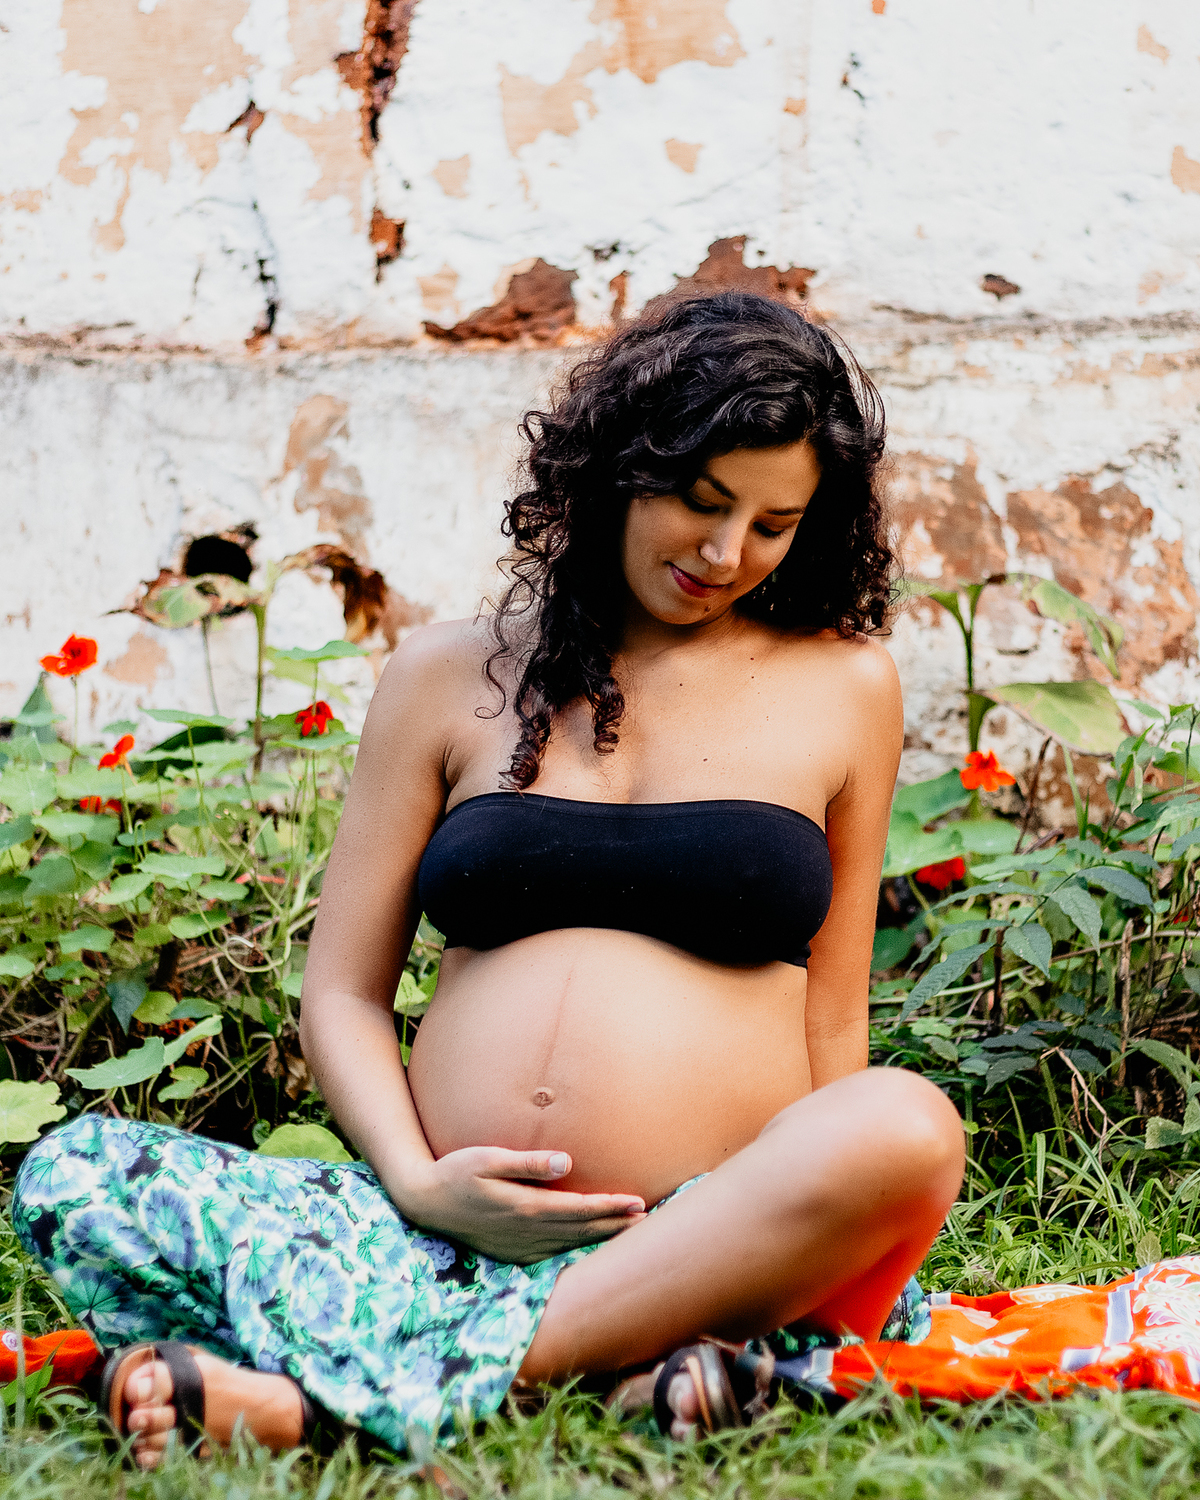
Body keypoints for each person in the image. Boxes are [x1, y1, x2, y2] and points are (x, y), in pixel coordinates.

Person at [12, 291, 964, 1468]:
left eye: (774, 525)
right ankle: (615, 1369)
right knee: (75, 1176)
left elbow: (833, 1012)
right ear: (619, 469)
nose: (726, 555)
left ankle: (343, 1402)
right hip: (425, 1233)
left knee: (908, 1129)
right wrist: (418, 1185)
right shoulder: (445, 676)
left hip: (689, 1227)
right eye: (702, 502)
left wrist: (800, 1219)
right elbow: (346, 994)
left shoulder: (844, 687)